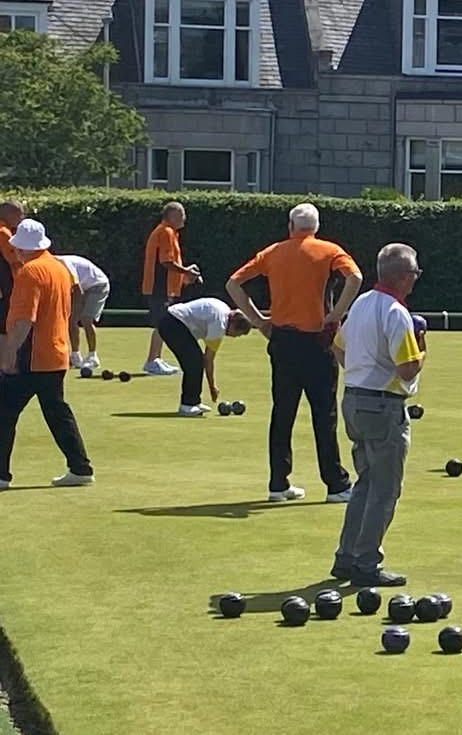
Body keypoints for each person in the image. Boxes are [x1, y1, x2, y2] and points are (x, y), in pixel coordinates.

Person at [227, 202, 363, 503]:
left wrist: (258, 321)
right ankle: (336, 484)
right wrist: (337, 314)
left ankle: (278, 483)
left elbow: (233, 283)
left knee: (283, 412)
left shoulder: (273, 251)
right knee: (323, 414)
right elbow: (355, 278)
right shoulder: (329, 250)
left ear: (291, 226)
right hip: (317, 340)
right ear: (315, 228)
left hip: (282, 340)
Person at [330, 243, 425, 587]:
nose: (415, 279)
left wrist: (363, 369)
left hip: (354, 399)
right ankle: (366, 563)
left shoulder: (361, 303)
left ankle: (346, 556)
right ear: (402, 277)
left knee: (365, 484)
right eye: (414, 273)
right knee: (384, 490)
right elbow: (408, 369)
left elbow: (339, 349)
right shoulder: (396, 313)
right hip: (383, 406)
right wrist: (422, 348)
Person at [0, 220, 94, 489]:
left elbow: (24, 321)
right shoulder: (59, 268)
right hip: (56, 352)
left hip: (32, 355)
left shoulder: (29, 273)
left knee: (3, 412)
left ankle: (1, 475)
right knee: (56, 412)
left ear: (22, 249)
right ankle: (80, 467)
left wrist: (8, 354)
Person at [157, 297, 253, 416]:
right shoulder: (219, 325)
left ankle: (194, 402)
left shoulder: (224, 309)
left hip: (171, 320)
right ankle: (187, 405)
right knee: (194, 363)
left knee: (196, 361)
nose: (234, 337)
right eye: (237, 334)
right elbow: (208, 359)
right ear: (233, 325)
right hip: (173, 324)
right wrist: (212, 387)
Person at [141, 201, 201, 375]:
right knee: (162, 323)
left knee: (163, 323)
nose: (184, 218)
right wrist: (186, 271)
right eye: (181, 214)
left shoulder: (171, 233)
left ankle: (156, 359)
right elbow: (165, 262)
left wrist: (185, 276)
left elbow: (171, 262)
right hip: (158, 286)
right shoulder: (165, 232)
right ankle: (152, 361)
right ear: (172, 215)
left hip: (164, 286)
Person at [56, 254, 110, 371]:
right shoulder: (51, 267)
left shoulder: (63, 264)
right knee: (71, 320)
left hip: (98, 284)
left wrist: (75, 308)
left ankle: (93, 357)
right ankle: (75, 356)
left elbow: (77, 289)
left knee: (86, 319)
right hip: (83, 287)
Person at [0, 200, 26, 346]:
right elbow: (15, 260)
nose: (21, 218)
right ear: (9, 214)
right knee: (5, 326)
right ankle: (6, 364)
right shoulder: (3, 233)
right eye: (19, 214)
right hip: (5, 286)